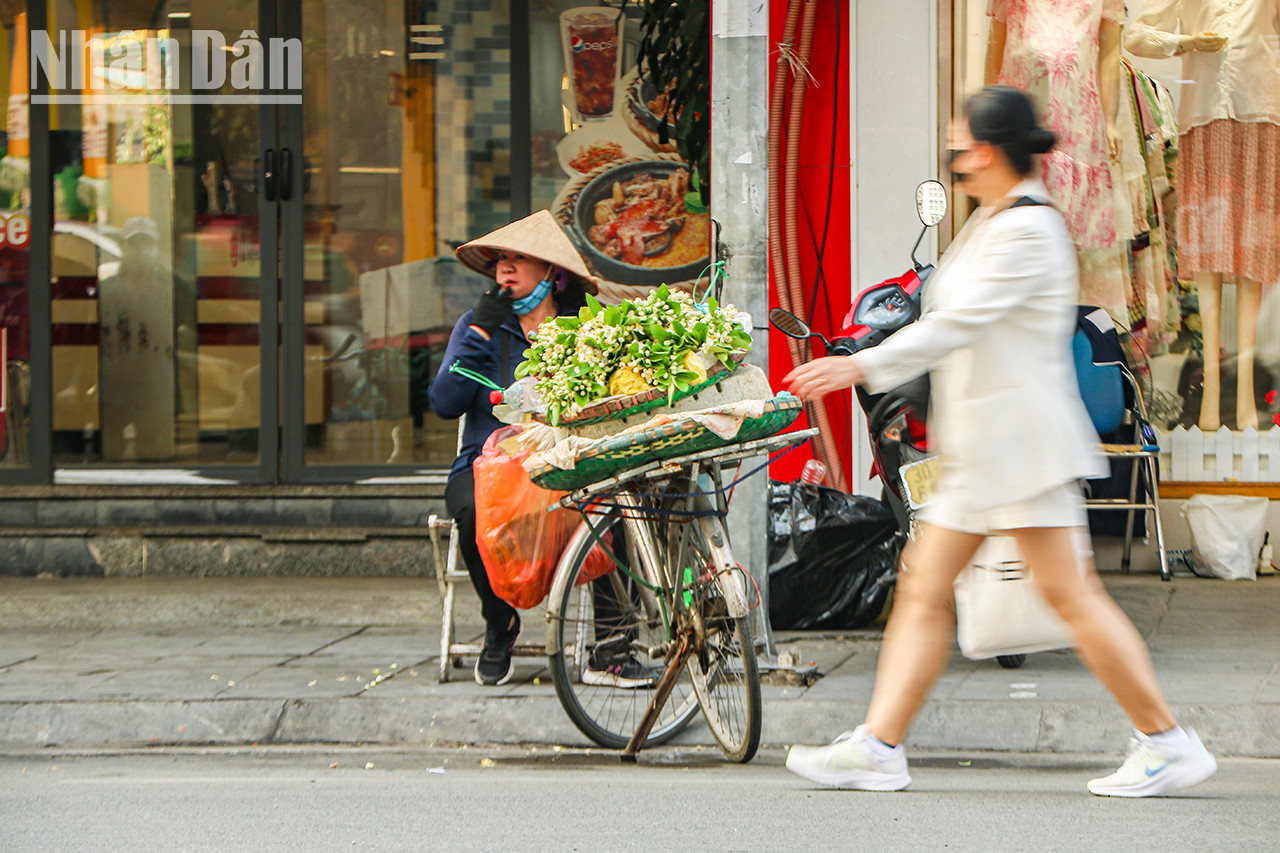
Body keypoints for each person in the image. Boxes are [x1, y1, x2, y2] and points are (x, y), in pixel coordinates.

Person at [782, 86, 1217, 798]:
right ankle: (879, 745)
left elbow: (961, 323)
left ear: (984, 150)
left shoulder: (1027, 230)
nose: (951, 155)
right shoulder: (994, 218)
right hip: (988, 453)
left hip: (1020, 452)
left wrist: (859, 364)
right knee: (924, 588)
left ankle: (1166, 740)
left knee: (1070, 597)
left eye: (958, 143)